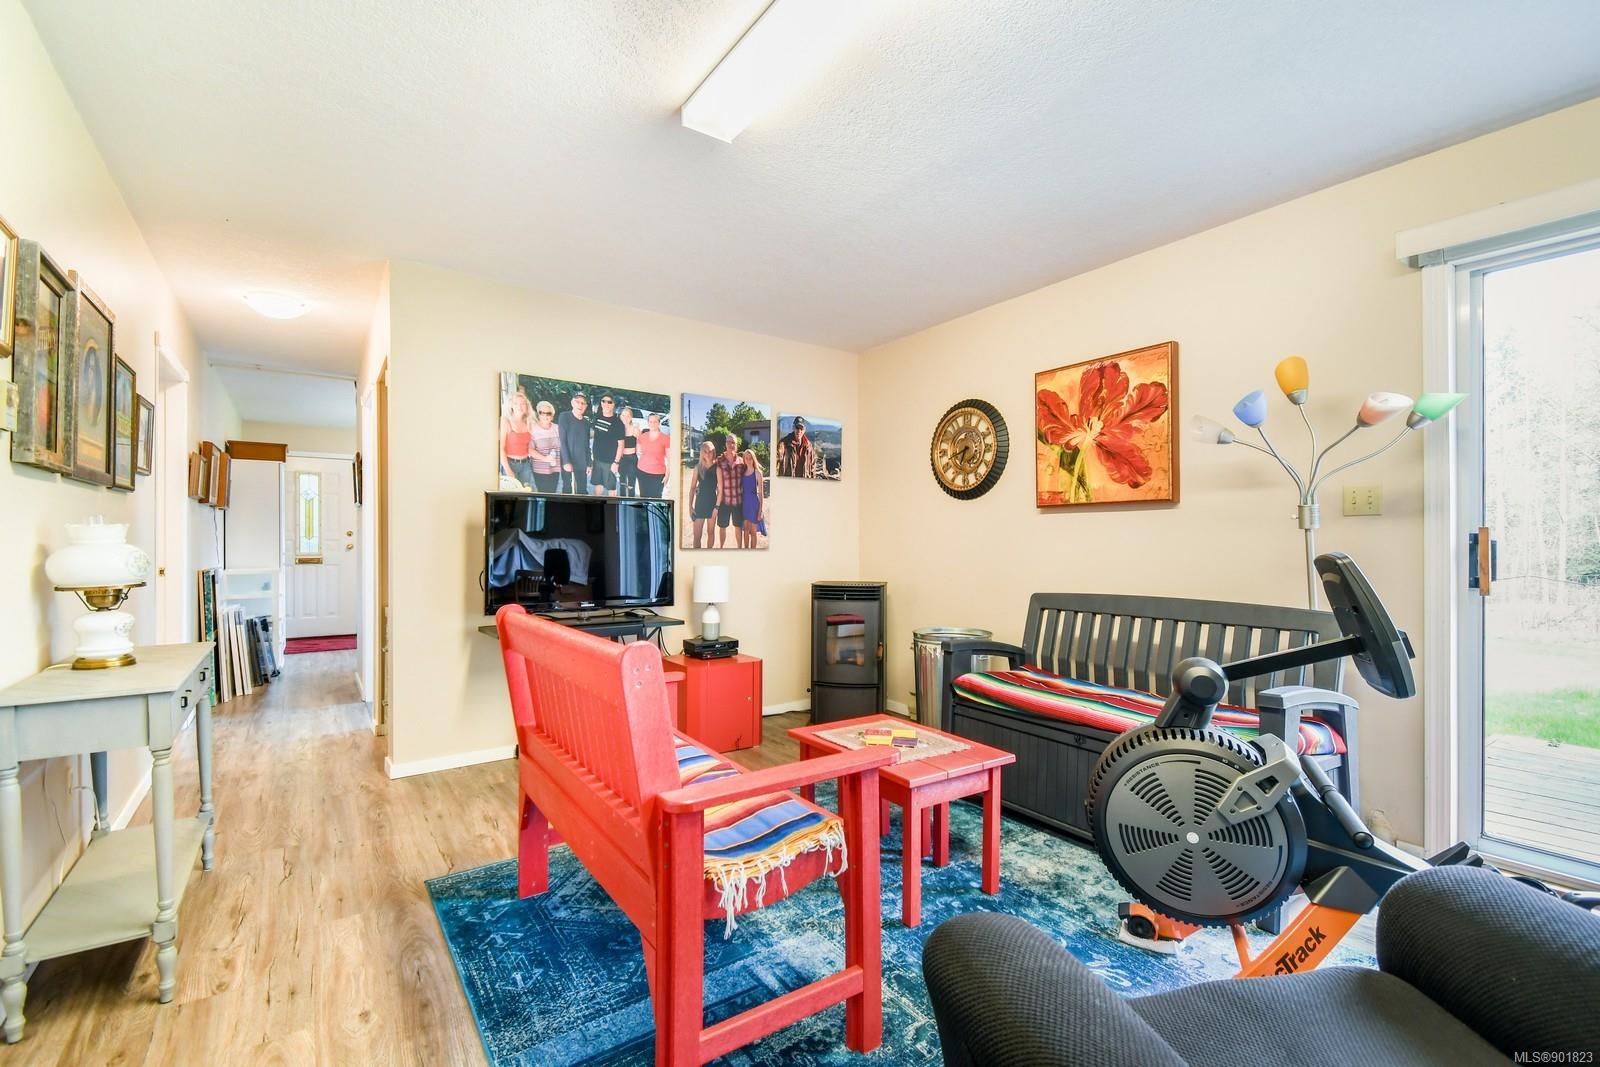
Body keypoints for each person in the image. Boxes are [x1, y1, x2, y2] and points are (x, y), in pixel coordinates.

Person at [499, 389, 536, 488]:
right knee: (511, 494)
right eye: (516, 403)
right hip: (510, 464)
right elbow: (500, 448)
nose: (519, 407)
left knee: (526, 492)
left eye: (523, 404)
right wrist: (508, 470)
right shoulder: (505, 421)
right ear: (511, 405)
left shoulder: (529, 422)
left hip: (526, 465)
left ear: (527, 406)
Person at [590, 394, 625, 497]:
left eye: (609, 402)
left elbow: (621, 444)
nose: (606, 404)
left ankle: (612, 507)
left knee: (611, 489)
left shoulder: (618, 423)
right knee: (598, 485)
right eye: (603, 401)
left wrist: (616, 462)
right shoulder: (597, 417)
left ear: (613, 404)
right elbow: (593, 434)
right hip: (597, 459)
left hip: (610, 462)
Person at [557, 391, 591, 494]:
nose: (580, 405)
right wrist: (566, 461)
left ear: (586, 406)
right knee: (568, 489)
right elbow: (562, 441)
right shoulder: (564, 417)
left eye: (583, 403)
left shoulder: (586, 423)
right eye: (578, 402)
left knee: (582, 490)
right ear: (572, 403)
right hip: (569, 461)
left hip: (582, 463)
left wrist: (589, 463)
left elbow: (587, 445)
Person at [686, 440, 719, 548]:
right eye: (705, 451)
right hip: (699, 504)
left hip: (712, 504)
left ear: (713, 452)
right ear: (701, 452)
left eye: (710, 451)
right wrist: (690, 507)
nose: (708, 454)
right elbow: (692, 488)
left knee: (711, 533)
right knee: (697, 536)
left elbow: (720, 490)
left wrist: (717, 507)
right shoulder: (698, 467)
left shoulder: (717, 468)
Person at [714, 434, 744, 548]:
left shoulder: (741, 462)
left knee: (738, 527)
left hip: (738, 502)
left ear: (736, 445)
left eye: (733, 442)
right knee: (722, 527)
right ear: (725, 444)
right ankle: (721, 548)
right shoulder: (719, 460)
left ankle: (740, 548)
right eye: (728, 442)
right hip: (724, 502)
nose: (730, 444)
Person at [528, 400, 563, 492]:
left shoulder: (557, 428)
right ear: (538, 414)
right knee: (542, 492)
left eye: (548, 413)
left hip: (555, 467)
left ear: (552, 416)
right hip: (540, 468)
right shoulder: (532, 429)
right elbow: (530, 450)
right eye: (542, 413)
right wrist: (545, 458)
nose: (545, 415)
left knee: (552, 493)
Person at [634, 412, 669, 497]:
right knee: (643, 497)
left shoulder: (666, 438)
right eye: (650, 421)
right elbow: (639, 451)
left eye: (655, 422)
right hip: (642, 472)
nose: (652, 424)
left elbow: (670, 459)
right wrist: (637, 436)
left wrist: (667, 475)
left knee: (656, 499)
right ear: (648, 423)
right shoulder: (642, 436)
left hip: (658, 475)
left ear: (659, 423)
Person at [739, 448, 764, 548]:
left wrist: (760, 510)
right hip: (744, 504)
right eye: (746, 458)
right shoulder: (742, 472)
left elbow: (761, 493)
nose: (748, 460)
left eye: (750, 458)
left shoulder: (758, 473)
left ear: (753, 459)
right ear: (744, 459)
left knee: (753, 532)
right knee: (746, 530)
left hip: (754, 505)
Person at [616, 406, 639, 497]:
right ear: (620, 416)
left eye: (628, 415)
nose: (625, 417)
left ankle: (631, 500)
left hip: (631, 459)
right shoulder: (617, 429)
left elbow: (640, 445)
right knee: (622, 482)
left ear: (631, 417)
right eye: (623, 415)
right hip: (621, 458)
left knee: (631, 484)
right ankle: (622, 500)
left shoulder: (635, 429)